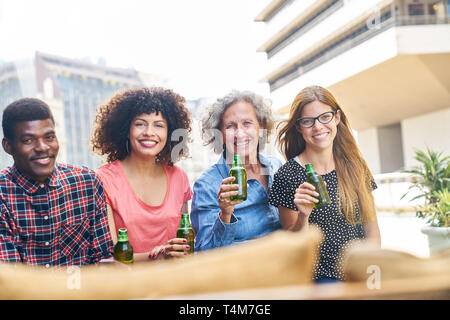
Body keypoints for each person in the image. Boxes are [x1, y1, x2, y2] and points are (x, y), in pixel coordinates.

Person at [268, 85, 381, 282]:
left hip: (361, 273)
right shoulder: (287, 176)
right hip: (320, 279)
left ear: (336, 117)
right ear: (298, 126)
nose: (318, 127)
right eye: (308, 121)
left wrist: (372, 273)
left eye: (324, 117)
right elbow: (294, 246)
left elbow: (371, 228)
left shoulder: (355, 166)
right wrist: (303, 216)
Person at [0, 98, 113, 266]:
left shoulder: (87, 183)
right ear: (8, 146)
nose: (43, 147)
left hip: (86, 291)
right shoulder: (2, 194)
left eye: (49, 137)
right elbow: (9, 278)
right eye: (28, 140)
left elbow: (104, 259)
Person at [92, 87, 193, 261]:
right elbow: (110, 257)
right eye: (140, 124)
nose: (149, 132)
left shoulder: (179, 177)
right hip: (129, 283)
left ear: (170, 132)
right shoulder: (103, 180)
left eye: (159, 125)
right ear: (126, 129)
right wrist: (157, 256)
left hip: (176, 280)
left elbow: (186, 241)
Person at [191, 90, 283, 251]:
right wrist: (225, 214)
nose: (239, 133)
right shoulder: (206, 185)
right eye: (230, 126)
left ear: (260, 127)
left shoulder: (276, 166)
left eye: (247, 123)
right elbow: (204, 254)